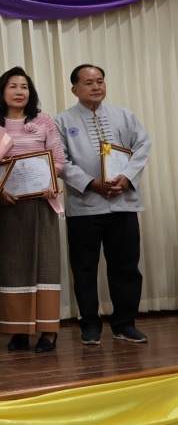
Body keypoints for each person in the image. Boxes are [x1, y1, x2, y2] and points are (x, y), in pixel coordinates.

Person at [54, 64, 151, 345]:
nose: (96, 86)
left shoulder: (125, 115)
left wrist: (127, 178)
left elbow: (142, 146)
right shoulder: (62, 121)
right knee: (84, 268)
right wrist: (91, 183)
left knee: (126, 266)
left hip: (123, 202)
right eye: (88, 82)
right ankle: (90, 325)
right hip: (85, 206)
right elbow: (60, 161)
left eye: (100, 81)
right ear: (75, 89)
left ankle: (125, 323)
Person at [0, 66, 65, 354]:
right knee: (13, 267)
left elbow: (59, 160)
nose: (19, 91)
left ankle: (48, 331)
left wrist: (50, 181)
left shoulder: (43, 121)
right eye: (13, 86)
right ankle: (19, 330)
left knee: (46, 265)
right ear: (2, 92)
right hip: (8, 205)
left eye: (24, 86)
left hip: (41, 204)